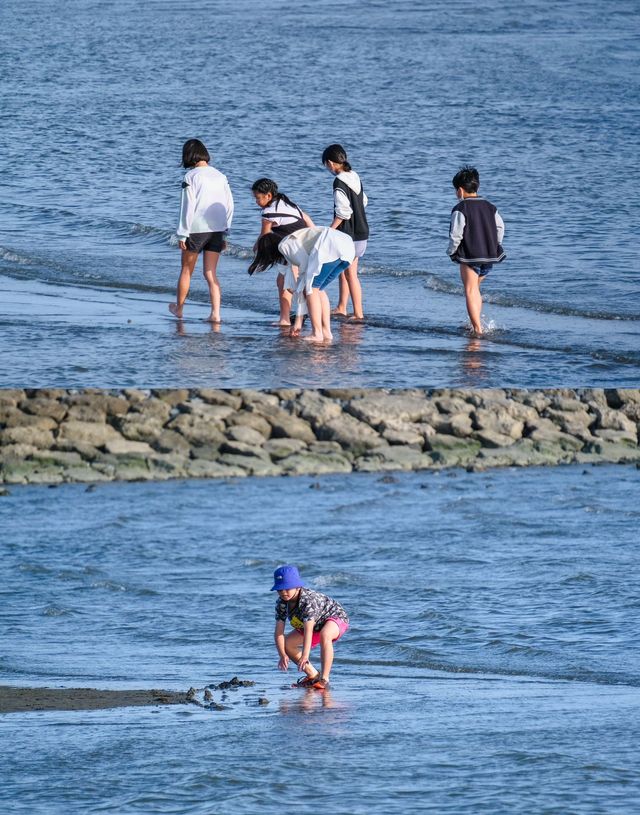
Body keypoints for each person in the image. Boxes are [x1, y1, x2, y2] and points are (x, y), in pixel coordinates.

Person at [249, 226, 355, 343]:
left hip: (331, 246)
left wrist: (298, 322)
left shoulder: (284, 245)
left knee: (311, 289)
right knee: (318, 289)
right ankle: (326, 332)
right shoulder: (291, 243)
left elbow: (304, 277)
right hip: (348, 248)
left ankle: (317, 333)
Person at [169, 138, 234, 322]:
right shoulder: (221, 176)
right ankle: (216, 314)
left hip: (196, 230)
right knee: (210, 273)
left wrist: (182, 233)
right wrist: (225, 230)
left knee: (186, 270)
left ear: (188, 155)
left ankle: (179, 309)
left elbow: (187, 207)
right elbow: (229, 205)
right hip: (217, 230)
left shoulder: (191, 177)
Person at [447, 165, 506, 336]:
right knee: (475, 289)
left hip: (470, 255)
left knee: (470, 290)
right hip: (489, 255)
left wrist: (452, 252)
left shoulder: (461, 209)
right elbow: (500, 227)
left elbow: (456, 234)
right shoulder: (490, 206)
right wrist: (495, 244)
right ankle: (474, 323)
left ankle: (478, 329)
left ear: (459, 190)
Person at [271, 564, 349, 690]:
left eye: (287, 588)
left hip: (334, 618)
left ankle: (324, 679)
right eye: (280, 589)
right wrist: (282, 655)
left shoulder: (308, 600)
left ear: (297, 586)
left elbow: (309, 630)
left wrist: (305, 655)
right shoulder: (281, 603)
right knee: (287, 644)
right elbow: (279, 632)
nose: (283, 593)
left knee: (325, 635)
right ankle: (313, 676)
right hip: (313, 626)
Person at [251, 178, 315, 327]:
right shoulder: (287, 203)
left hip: (291, 248)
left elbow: (265, 235)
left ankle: (286, 319)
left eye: (258, 198)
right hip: (306, 244)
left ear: (268, 195)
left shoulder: (268, 211)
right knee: (294, 282)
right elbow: (306, 218)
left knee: (284, 283)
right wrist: (314, 234)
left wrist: (256, 248)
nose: (256, 201)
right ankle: (308, 314)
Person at [322, 143, 369, 321]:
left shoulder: (339, 181)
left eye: (326, 165)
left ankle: (358, 313)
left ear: (330, 163)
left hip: (348, 234)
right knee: (345, 270)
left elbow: (343, 212)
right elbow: (363, 201)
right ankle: (342, 307)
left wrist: (329, 231)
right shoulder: (354, 176)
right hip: (362, 230)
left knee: (350, 275)